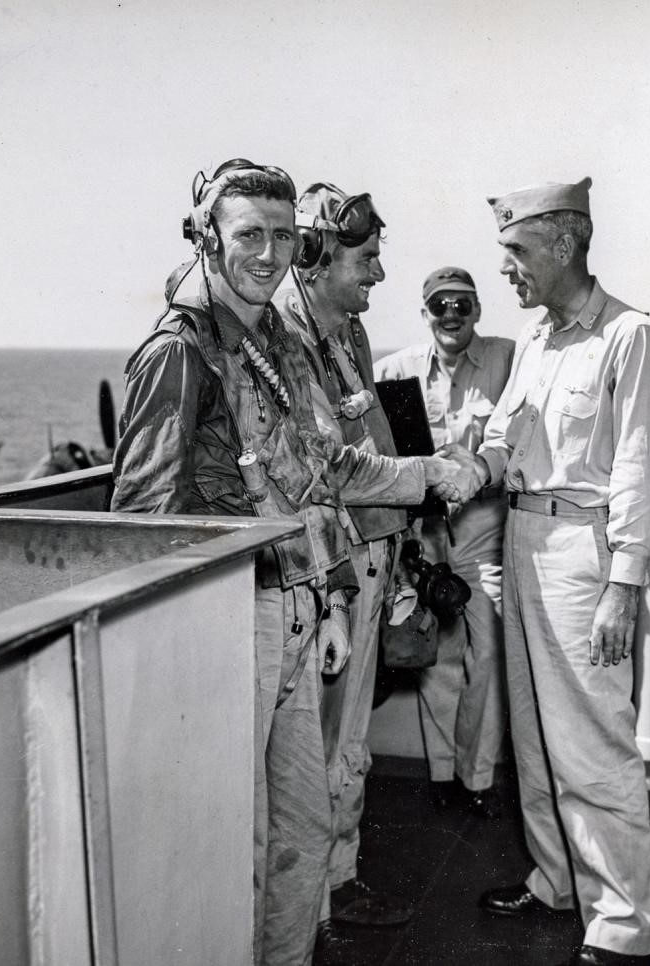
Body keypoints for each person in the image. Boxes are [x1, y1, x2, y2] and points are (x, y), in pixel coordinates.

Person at [110, 159, 461, 966]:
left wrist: (333, 593)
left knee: (302, 827)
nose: (267, 255)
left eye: (281, 236)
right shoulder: (178, 353)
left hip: (299, 607)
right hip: (233, 619)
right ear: (206, 238)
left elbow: (308, 476)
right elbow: (142, 523)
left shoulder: (272, 340)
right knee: (243, 836)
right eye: (247, 236)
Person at [447, 178, 650, 966]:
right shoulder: (538, 340)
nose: (505, 267)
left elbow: (642, 464)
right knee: (537, 737)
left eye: (515, 250)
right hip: (521, 542)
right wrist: (470, 464)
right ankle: (558, 879)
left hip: (584, 552)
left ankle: (620, 924)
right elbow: (508, 439)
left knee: (592, 744)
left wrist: (624, 584)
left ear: (565, 243)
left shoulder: (628, 336)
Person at [276, 183, 413, 935]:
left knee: (350, 734)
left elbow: (375, 440)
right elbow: (322, 470)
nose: (378, 276)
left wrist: (406, 536)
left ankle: (342, 873)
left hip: (374, 552)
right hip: (329, 566)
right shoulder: (286, 342)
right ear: (315, 254)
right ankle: (314, 904)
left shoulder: (351, 336)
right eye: (366, 260)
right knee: (321, 739)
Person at [375, 266, 514, 818]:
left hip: (486, 542)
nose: (451, 316)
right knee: (437, 662)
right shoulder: (394, 371)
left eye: (462, 305)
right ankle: (441, 778)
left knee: (491, 662)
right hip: (428, 546)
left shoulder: (509, 360)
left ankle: (476, 779)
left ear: (477, 309)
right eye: (440, 306)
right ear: (425, 311)